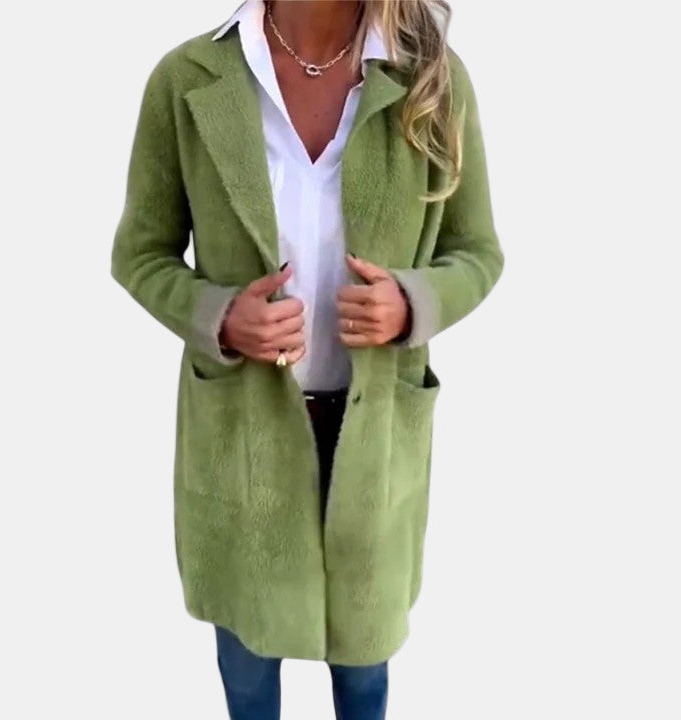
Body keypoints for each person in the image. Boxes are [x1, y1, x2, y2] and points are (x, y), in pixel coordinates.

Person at [110, 0, 504, 717]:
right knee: (247, 667)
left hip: (374, 439)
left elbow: (477, 253)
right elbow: (139, 254)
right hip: (242, 437)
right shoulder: (189, 78)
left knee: (364, 674)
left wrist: (412, 302)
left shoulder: (431, 81)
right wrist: (219, 316)